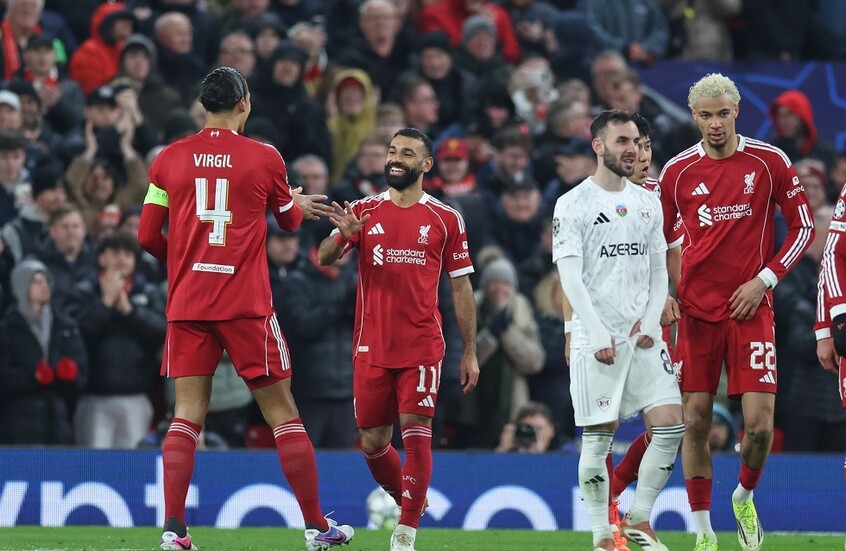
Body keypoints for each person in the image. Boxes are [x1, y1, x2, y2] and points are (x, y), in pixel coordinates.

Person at [136, 66, 353, 551]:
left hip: (189, 303)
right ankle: (317, 527)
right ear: (244, 104)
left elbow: (148, 236)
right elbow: (289, 222)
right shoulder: (264, 158)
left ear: (202, 106)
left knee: (186, 415)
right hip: (245, 306)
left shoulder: (167, 160)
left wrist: (187, 265)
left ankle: (174, 530)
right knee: (283, 414)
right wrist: (294, 201)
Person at [659, 73, 814, 551]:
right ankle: (704, 533)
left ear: (737, 112)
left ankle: (744, 495)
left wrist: (764, 279)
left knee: (761, 426)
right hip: (696, 313)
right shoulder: (677, 172)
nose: (715, 123)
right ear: (694, 116)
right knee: (696, 421)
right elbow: (655, 241)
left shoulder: (769, 162)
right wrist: (663, 292)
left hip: (752, 309)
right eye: (706, 115)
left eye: (722, 113)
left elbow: (804, 227)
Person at [317, 127, 480, 551]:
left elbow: (461, 286)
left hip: (422, 344)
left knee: (417, 428)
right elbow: (323, 257)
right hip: (371, 345)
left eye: (407, 153)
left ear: (426, 164)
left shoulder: (445, 218)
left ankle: (405, 532)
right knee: (373, 442)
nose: (396, 158)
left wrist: (470, 351)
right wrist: (345, 234)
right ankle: (410, 501)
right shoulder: (364, 209)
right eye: (392, 151)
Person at [553, 109, 684, 551]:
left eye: (635, 142)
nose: (632, 150)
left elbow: (659, 270)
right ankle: (601, 535)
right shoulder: (572, 204)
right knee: (598, 438)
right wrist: (592, 332)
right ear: (598, 146)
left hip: (642, 335)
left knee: (671, 425)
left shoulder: (648, 202)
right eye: (622, 141)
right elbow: (570, 277)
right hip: (598, 337)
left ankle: (639, 518)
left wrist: (650, 321)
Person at [603, 112, 684, 551]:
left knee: (666, 425)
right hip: (607, 327)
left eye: (648, 147)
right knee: (605, 426)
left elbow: (674, 251)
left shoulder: (662, 197)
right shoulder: (591, 198)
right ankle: (606, 523)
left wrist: (670, 294)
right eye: (634, 146)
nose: (642, 156)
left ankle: (630, 510)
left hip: (654, 327)